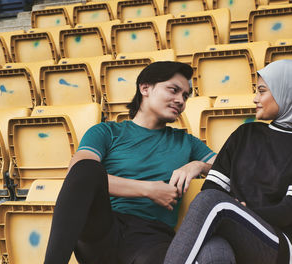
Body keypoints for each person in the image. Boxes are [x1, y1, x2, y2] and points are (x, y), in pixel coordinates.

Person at [44, 61, 216, 264]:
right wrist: (148, 190)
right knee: (87, 168)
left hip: (151, 237)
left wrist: (198, 165)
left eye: (185, 96)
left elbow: (230, 167)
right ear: (145, 88)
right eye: (174, 90)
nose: (181, 101)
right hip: (104, 228)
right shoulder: (106, 132)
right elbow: (79, 174)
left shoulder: (187, 142)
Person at [164, 59, 292, 264]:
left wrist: (241, 211)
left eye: (262, 91)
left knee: (212, 202)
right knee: (214, 254)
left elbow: (289, 212)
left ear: (288, 94)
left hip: (280, 247)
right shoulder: (245, 134)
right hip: (233, 230)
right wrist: (235, 213)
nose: (255, 99)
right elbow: (212, 187)